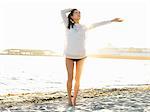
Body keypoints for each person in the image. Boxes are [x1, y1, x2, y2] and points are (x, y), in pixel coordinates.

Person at [60, 8, 123, 106]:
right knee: (70, 78)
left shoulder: (84, 27)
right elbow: (62, 12)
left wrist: (111, 20)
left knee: (78, 79)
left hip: (82, 56)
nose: (79, 14)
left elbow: (98, 24)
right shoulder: (67, 25)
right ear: (71, 16)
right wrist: (72, 8)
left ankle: (75, 99)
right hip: (69, 55)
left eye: (79, 13)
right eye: (76, 13)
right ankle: (69, 99)